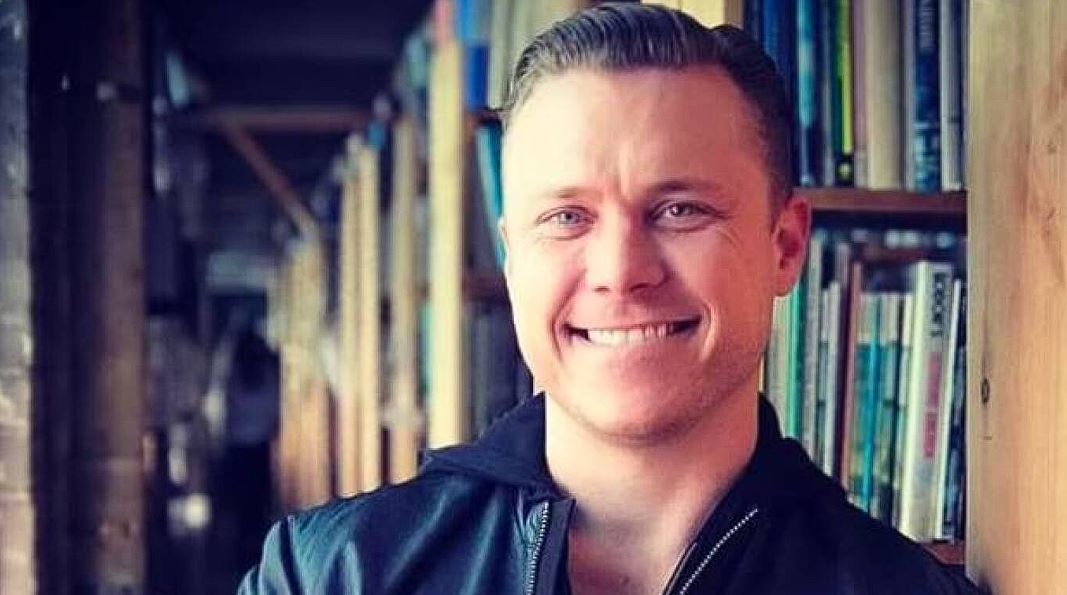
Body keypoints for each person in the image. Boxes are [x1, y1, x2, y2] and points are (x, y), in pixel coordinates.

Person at [239, 4, 984, 594]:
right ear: (513, 259)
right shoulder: (328, 576)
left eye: (680, 209)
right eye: (567, 217)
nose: (621, 271)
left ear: (784, 246)